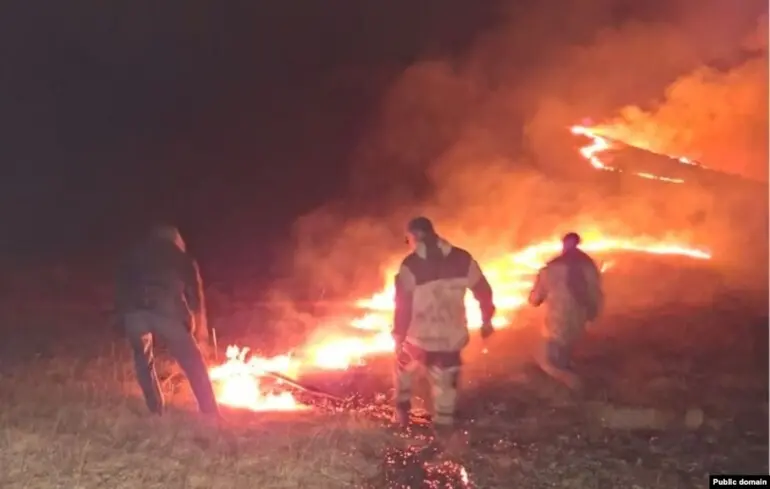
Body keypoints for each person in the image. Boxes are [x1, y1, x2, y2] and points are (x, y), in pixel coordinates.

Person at [392, 216, 496, 442]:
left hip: (418, 338)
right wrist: (487, 320)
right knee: (446, 384)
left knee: (404, 369)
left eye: (407, 238)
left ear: (414, 236)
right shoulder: (462, 258)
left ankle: (401, 413)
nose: (408, 242)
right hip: (451, 337)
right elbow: (483, 290)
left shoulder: (410, 265)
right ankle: (443, 432)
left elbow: (403, 305)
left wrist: (398, 336)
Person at [114, 224, 219, 416]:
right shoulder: (180, 257)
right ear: (176, 240)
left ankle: (156, 410)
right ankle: (211, 414)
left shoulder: (136, 253)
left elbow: (121, 283)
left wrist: (124, 312)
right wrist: (197, 326)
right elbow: (195, 295)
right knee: (192, 361)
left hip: (134, 313)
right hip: (165, 311)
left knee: (143, 359)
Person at [528, 232, 603, 390]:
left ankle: (572, 386)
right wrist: (593, 313)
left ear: (563, 245)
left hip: (555, 320)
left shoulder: (552, 267)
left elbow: (535, 298)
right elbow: (595, 293)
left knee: (549, 359)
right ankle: (569, 384)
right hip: (578, 319)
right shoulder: (588, 266)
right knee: (566, 349)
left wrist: (534, 298)